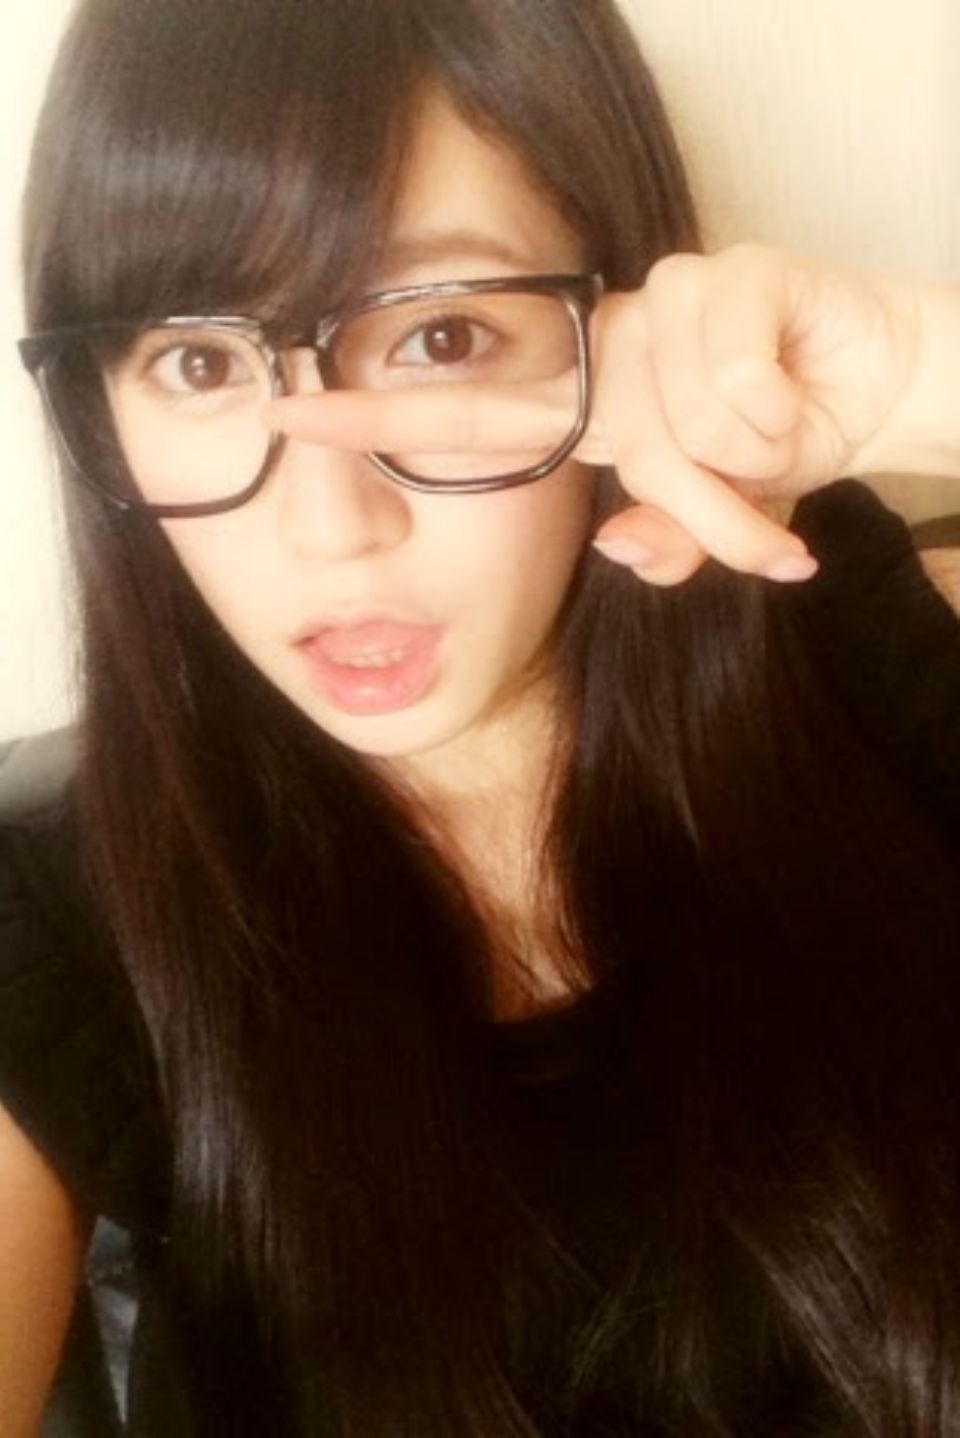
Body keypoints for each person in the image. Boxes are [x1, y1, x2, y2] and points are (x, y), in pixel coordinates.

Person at [2, 0, 959, 1434]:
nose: (332, 525)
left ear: (619, 318)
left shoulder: (871, 658)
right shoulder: (65, 909)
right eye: (199, 365)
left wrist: (931, 372)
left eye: (442, 335)